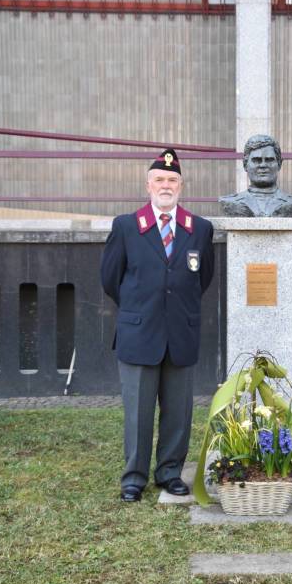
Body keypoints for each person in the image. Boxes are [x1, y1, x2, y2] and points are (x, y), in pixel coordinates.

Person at [101, 148, 214, 502]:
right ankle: (133, 477)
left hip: (181, 332)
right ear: (148, 185)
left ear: (182, 186)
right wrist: (141, 308)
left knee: (178, 412)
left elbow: (203, 277)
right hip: (139, 332)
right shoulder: (126, 226)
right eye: (160, 180)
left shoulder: (199, 229)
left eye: (173, 180)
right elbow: (110, 278)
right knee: (138, 411)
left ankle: (169, 472)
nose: (166, 185)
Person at [219, 134, 292, 216]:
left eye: (269, 160)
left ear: (279, 164)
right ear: (245, 165)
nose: (263, 165)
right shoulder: (231, 201)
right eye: (256, 160)